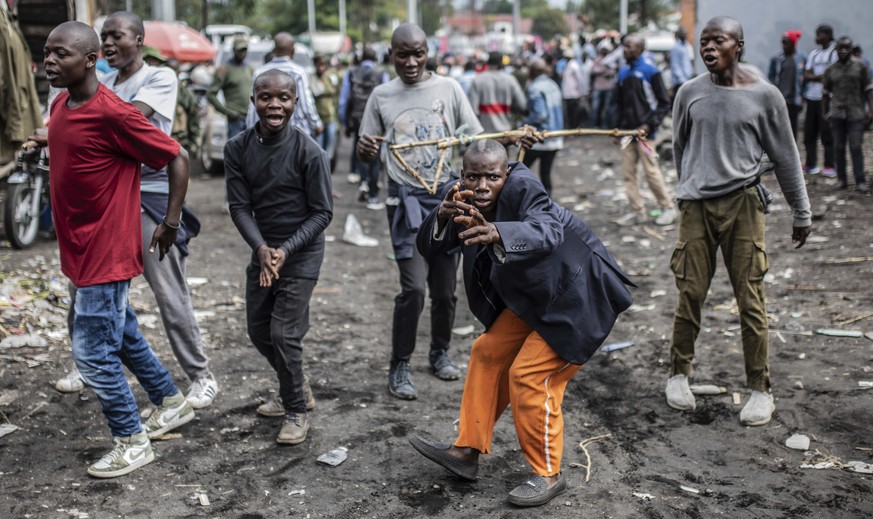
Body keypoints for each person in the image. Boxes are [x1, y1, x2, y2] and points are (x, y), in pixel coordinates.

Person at [409, 140, 634, 508]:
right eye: (473, 177)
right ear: (462, 174)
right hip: (534, 297)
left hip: (577, 295)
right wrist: (443, 214)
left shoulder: (525, 186)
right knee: (488, 350)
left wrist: (498, 232)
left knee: (529, 374)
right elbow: (429, 247)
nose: (482, 187)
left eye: (492, 178)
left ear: (506, 173)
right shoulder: (464, 195)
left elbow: (548, 230)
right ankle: (466, 450)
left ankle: (548, 473)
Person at [36, 20, 194, 478]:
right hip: (78, 248)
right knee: (122, 335)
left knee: (91, 353)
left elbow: (176, 156)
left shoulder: (114, 112)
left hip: (105, 252)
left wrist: (170, 221)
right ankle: (170, 400)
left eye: (60, 54)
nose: (49, 60)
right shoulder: (63, 103)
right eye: (47, 51)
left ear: (90, 61)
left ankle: (131, 439)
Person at [54, 11, 218, 410]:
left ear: (139, 40)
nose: (111, 44)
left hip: (151, 191)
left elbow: (131, 122)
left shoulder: (159, 78)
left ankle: (200, 375)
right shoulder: (102, 81)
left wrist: (170, 220)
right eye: (105, 37)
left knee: (167, 289)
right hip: (110, 195)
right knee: (85, 284)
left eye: (118, 37)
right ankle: (88, 355)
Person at [668, 17, 812, 426]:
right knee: (690, 292)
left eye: (718, 41)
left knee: (750, 297)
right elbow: (680, 147)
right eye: (704, 41)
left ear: (739, 46)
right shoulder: (689, 93)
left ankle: (760, 389)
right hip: (696, 207)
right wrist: (689, 186)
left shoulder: (766, 97)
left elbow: (786, 157)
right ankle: (678, 374)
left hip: (745, 206)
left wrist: (801, 212)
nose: (708, 48)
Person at [356, 23, 484, 400]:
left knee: (444, 292)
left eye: (418, 54)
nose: (411, 62)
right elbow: (368, 149)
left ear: (429, 53)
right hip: (406, 204)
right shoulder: (381, 96)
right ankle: (400, 363)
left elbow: (474, 137)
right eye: (402, 54)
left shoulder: (449, 89)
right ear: (391, 55)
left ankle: (440, 352)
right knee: (413, 288)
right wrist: (366, 151)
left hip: (448, 202)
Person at [225, 69, 334, 444]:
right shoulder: (237, 148)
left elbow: (323, 213)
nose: (275, 105)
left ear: (295, 102)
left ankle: (296, 410)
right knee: (258, 329)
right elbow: (239, 207)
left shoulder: (310, 152)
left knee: (283, 333)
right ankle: (296, 384)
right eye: (265, 97)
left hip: (300, 253)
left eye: (283, 98)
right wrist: (262, 250)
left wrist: (286, 250)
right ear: (254, 100)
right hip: (264, 249)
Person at [615, 34, 676, 226]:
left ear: (640, 49)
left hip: (645, 135)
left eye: (630, 46)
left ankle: (668, 208)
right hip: (626, 134)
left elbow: (664, 103)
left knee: (651, 172)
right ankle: (637, 211)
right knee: (628, 173)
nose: (625, 50)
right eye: (624, 46)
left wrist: (649, 125)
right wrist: (617, 127)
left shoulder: (651, 72)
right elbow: (620, 104)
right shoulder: (623, 73)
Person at [245, 32, 323, 139]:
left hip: (267, 132)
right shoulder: (298, 72)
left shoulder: (260, 72)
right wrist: (316, 124)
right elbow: (306, 104)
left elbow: (253, 107)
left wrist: (251, 130)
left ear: (274, 50)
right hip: (295, 132)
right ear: (293, 50)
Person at [339, 46, 389, 209]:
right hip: (377, 120)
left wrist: (345, 122)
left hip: (357, 118)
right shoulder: (381, 74)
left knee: (361, 149)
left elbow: (344, 100)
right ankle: (373, 197)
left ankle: (363, 182)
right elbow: (388, 100)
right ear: (375, 59)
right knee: (374, 156)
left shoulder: (351, 72)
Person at [822, 36, 873, 194]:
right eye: (840, 48)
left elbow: (868, 89)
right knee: (838, 147)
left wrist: (871, 111)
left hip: (855, 113)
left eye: (847, 48)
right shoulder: (830, 70)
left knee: (856, 146)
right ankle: (841, 179)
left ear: (851, 49)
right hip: (837, 113)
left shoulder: (860, 67)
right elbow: (825, 92)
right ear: (836, 49)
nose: (844, 51)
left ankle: (860, 181)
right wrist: (825, 112)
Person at [521, 59, 563, 195]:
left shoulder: (535, 88)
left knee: (519, 169)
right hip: (555, 137)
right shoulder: (553, 84)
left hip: (539, 139)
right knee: (546, 173)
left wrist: (523, 124)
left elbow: (540, 115)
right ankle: (547, 204)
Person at [802, 24, 838, 177]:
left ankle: (830, 165)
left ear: (828, 35)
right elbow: (806, 75)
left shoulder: (835, 53)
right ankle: (811, 164)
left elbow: (833, 76)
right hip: (812, 97)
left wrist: (816, 78)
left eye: (819, 35)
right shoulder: (814, 54)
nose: (816, 38)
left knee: (827, 133)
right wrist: (820, 77)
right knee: (809, 132)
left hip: (828, 99)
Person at [466, 52, 527, 134]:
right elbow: (522, 105)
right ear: (502, 64)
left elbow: (472, 110)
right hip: (506, 133)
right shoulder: (510, 80)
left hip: (484, 134)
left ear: (488, 63)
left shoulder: (478, 80)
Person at [207, 35, 253, 142]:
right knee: (235, 152)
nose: (242, 52)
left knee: (250, 153)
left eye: (244, 50)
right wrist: (227, 112)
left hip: (250, 118)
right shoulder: (224, 69)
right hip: (235, 119)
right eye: (239, 50)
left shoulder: (249, 68)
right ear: (233, 50)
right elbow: (211, 94)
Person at [768, 31, 805, 139]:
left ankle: (792, 153)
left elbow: (805, 79)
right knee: (779, 128)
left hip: (794, 100)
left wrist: (802, 97)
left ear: (793, 43)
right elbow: (771, 76)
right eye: (782, 42)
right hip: (780, 99)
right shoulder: (777, 59)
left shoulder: (801, 59)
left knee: (793, 129)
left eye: (786, 42)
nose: (783, 46)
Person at [311, 54, 339, 171]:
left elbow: (335, 93)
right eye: (319, 65)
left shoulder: (330, 77)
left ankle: (327, 167)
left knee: (330, 146)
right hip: (318, 119)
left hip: (331, 117)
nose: (321, 68)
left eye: (324, 65)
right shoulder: (312, 78)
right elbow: (316, 91)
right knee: (318, 146)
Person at [560, 49, 592, 129]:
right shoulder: (568, 65)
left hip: (573, 94)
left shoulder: (574, 66)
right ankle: (571, 129)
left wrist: (581, 92)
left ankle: (574, 129)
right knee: (569, 114)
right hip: (568, 94)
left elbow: (580, 80)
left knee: (574, 114)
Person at [590, 42, 617, 128]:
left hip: (609, 87)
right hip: (598, 87)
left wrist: (603, 70)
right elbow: (594, 70)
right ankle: (593, 125)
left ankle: (605, 126)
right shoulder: (597, 59)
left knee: (607, 107)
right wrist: (605, 70)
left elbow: (613, 72)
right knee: (595, 107)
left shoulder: (611, 59)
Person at [669, 27, 694, 97]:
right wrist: (682, 79)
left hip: (688, 79)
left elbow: (689, 61)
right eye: (683, 34)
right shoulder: (676, 47)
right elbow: (675, 65)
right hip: (680, 81)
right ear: (679, 34)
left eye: (686, 34)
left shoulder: (687, 46)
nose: (685, 35)